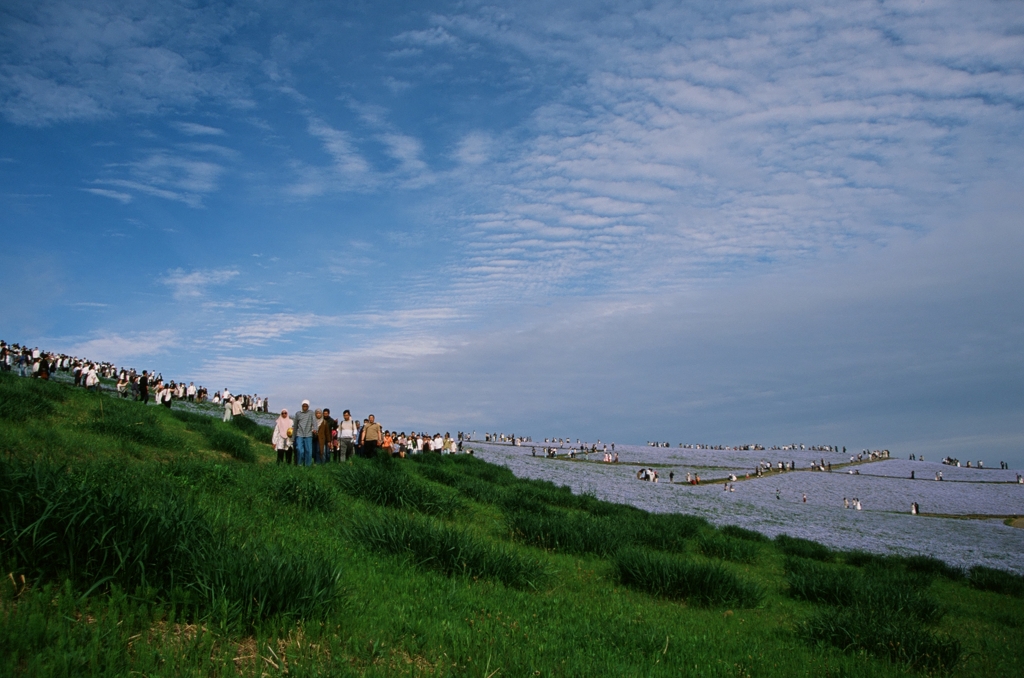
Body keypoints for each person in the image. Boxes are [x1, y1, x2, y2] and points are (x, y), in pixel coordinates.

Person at [293, 400, 316, 467]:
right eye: (304, 405)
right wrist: (293, 437)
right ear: (302, 406)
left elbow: (314, 422)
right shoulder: (298, 414)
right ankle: (300, 464)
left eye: (306, 406)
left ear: (308, 406)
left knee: (308, 451)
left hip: (308, 434)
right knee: (299, 450)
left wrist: (315, 429)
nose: (305, 407)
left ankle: (307, 466)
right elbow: (295, 425)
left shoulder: (311, 413)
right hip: (299, 434)